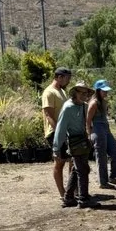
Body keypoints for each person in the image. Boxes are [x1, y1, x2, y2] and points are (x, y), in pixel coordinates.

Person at [52, 83, 96, 208]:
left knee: (77, 170)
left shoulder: (84, 106)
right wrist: (57, 148)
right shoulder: (67, 107)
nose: (84, 95)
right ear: (75, 93)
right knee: (82, 170)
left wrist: (90, 136)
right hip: (74, 142)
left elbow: (88, 124)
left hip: (83, 141)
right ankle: (83, 199)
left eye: (86, 93)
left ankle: (68, 198)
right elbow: (60, 129)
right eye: (81, 93)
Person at [86, 78, 116, 188]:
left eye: (106, 91)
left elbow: (105, 118)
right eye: (104, 91)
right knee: (101, 157)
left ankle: (113, 176)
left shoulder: (104, 102)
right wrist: (89, 134)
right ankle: (103, 182)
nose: (106, 93)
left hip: (106, 129)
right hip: (97, 130)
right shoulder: (93, 103)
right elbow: (88, 120)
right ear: (98, 91)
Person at [42, 67, 72, 200]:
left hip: (66, 131)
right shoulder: (49, 92)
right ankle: (63, 193)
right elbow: (48, 115)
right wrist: (59, 133)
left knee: (72, 160)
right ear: (59, 77)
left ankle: (72, 190)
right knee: (59, 162)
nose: (68, 81)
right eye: (67, 78)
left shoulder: (62, 91)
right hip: (55, 132)